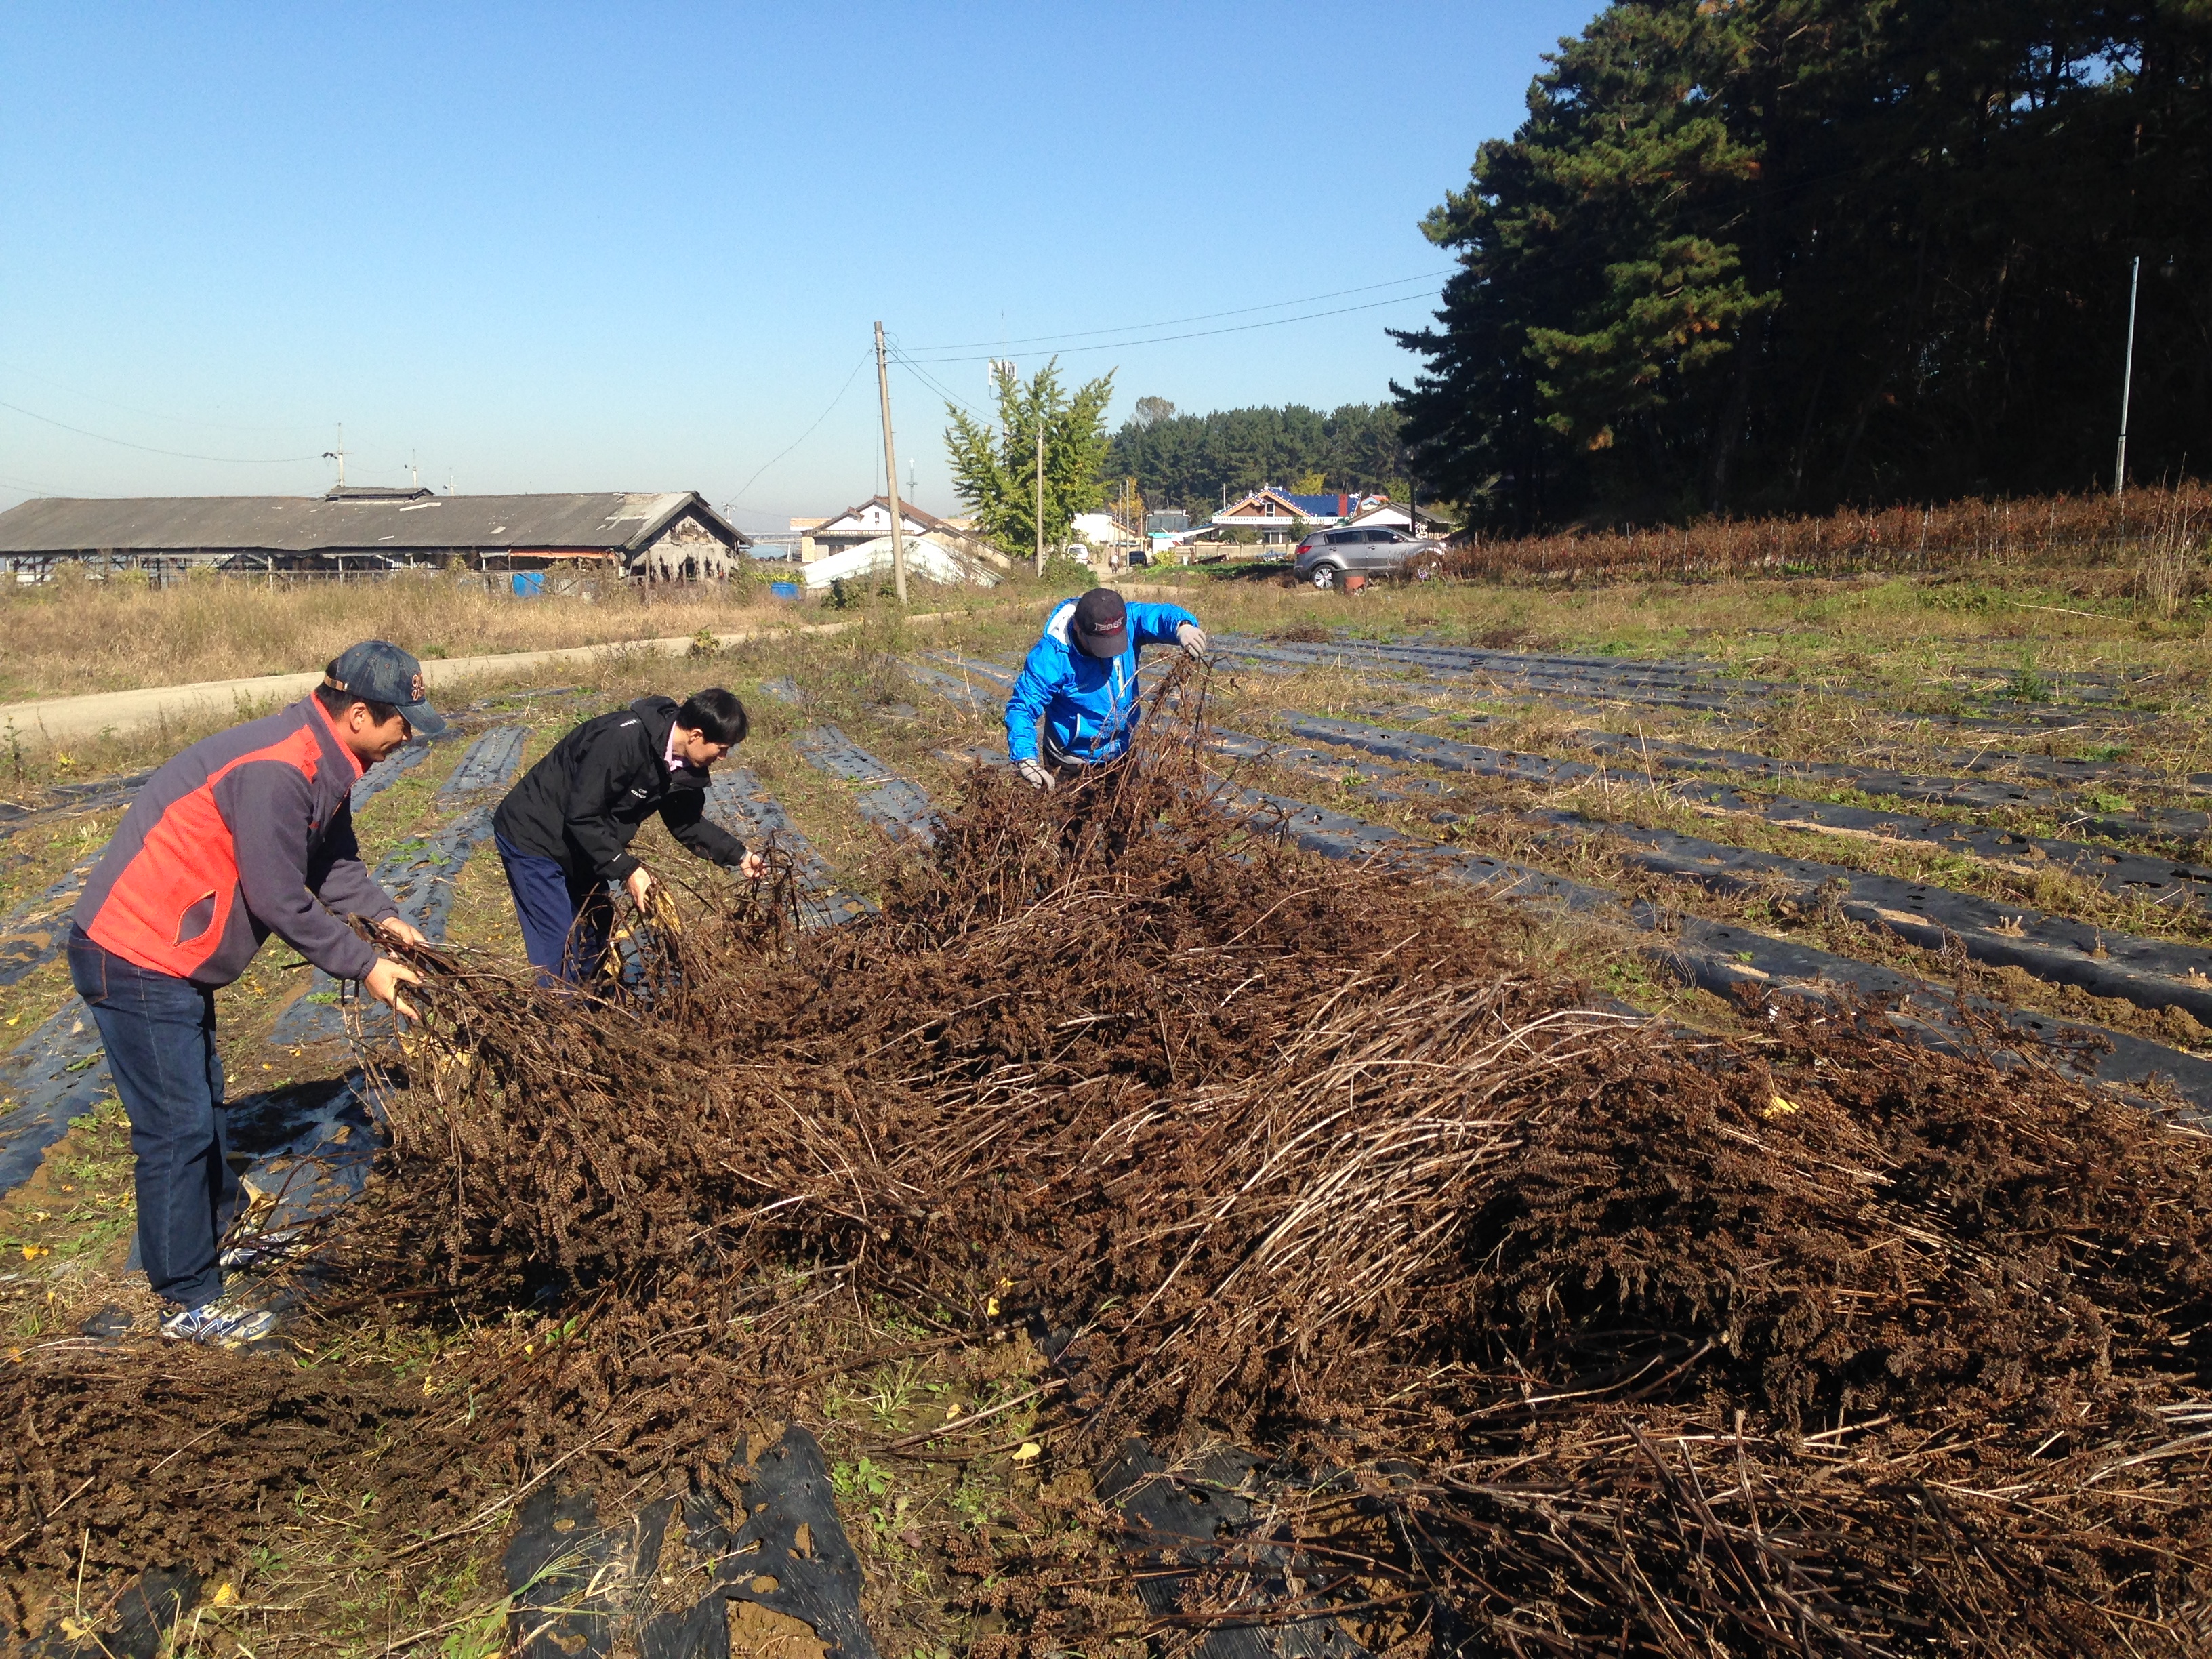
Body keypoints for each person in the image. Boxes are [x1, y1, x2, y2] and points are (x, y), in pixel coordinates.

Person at [67, 640, 443, 1345]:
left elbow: (331, 862)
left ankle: (210, 1238)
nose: (408, 735)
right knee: (175, 1130)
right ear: (359, 713)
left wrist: (386, 921)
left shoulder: (326, 759)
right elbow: (277, 897)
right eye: (402, 720)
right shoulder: (280, 768)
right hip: (136, 952)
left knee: (203, 1105)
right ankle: (186, 1302)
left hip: (173, 958)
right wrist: (366, 966)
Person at [493, 688, 764, 985]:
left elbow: (686, 823)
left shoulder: (683, 764)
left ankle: (596, 1013)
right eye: (721, 748)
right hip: (535, 837)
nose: (723, 758)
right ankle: (560, 1022)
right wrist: (628, 869)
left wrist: (740, 855)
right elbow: (582, 815)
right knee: (559, 947)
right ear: (696, 735)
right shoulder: (622, 739)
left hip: (583, 843)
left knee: (595, 936)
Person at [1004, 587, 1207, 789]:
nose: (1109, 653)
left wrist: (1183, 626)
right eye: (1100, 644)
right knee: (1075, 821)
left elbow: (1157, 615)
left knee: (1130, 819)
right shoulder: (1052, 656)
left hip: (1121, 753)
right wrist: (1025, 758)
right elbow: (1022, 708)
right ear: (1078, 628)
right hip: (1072, 761)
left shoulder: (1127, 621)